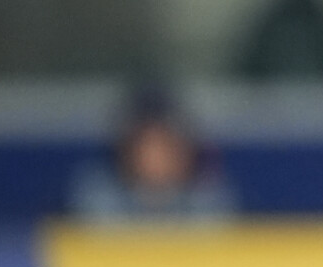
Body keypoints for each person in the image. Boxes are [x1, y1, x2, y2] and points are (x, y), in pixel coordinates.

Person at [67, 83, 237, 223]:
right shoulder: (99, 196)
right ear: (126, 150)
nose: (156, 157)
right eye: (147, 145)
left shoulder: (208, 197)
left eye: (166, 145)